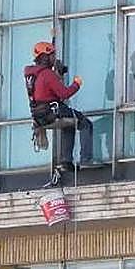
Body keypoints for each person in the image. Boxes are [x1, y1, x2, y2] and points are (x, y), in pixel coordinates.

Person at [24, 41, 99, 179]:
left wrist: (57, 74)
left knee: (69, 125)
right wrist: (77, 84)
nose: (54, 58)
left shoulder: (31, 75)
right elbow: (64, 94)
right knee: (84, 123)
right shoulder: (47, 74)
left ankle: (66, 162)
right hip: (52, 112)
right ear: (45, 57)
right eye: (52, 55)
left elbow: (44, 90)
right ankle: (86, 160)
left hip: (39, 117)